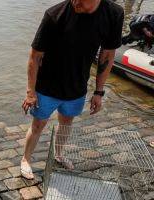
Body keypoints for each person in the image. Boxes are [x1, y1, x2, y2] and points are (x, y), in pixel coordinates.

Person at [20, 0, 124, 179]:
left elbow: (107, 54)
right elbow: (35, 56)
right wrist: (31, 92)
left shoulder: (114, 14)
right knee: (38, 124)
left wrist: (98, 92)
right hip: (47, 86)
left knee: (66, 122)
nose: (74, 2)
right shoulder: (54, 14)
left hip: (77, 86)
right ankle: (26, 159)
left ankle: (58, 154)